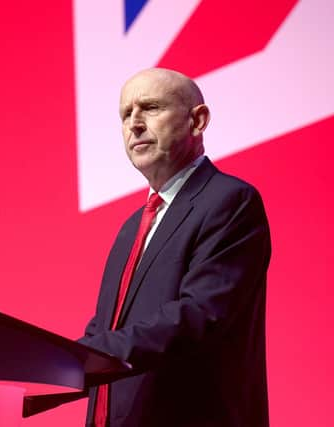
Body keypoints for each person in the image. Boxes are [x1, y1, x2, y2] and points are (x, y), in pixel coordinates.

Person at [79, 68, 271, 427]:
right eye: (125, 114)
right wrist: (43, 369)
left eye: (150, 107)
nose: (134, 123)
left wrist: (86, 356)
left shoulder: (229, 201)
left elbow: (199, 315)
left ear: (197, 121)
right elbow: (106, 330)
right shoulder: (130, 229)